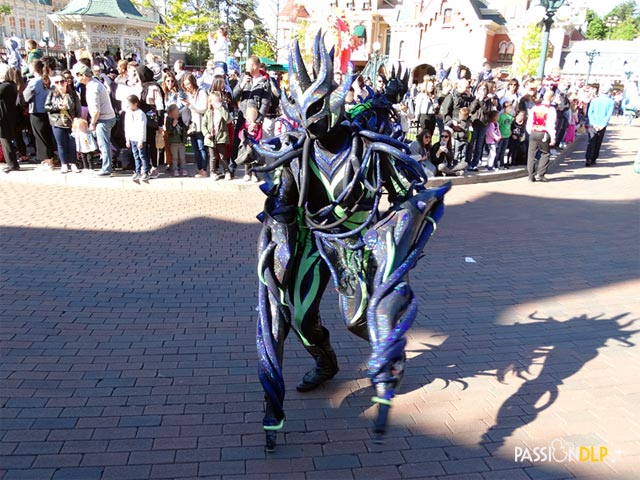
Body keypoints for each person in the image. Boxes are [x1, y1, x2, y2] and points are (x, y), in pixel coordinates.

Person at [74, 63, 117, 176]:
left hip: (103, 119)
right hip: (106, 117)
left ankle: (107, 168)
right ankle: (107, 165)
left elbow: (96, 110)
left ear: (83, 75)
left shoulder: (93, 87)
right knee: (105, 143)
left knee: (104, 144)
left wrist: (92, 123)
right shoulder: (95, 84)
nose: (77, 77)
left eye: (78, 75)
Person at [231, 55, 271, 174]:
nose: (246, 68)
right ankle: (231, 168)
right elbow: (234, 96)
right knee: (237, 142)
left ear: (254, 66)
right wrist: (242, 85)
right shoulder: (244, 77)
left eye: (248, 65)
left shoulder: (265, 82)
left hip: (254, 119)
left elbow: (265, 103)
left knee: (252, 145)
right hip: (243, 116)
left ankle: (251, 172)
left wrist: (257, 121)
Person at [45, 74, 81, 173]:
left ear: (66, 82)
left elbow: (78, 108)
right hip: (57, 122)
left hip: (71, 122)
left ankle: (73, 163)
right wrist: (57, 107)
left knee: (72, 143)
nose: (60, 84)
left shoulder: (73, 94)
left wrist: (77, 119)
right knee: (61, 144)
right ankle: (64, 163)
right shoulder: (52, 94)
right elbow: (47, 107)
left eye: (62, 81)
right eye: (57, 82)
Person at [23, 59, 55, 169]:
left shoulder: (34, 81)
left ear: (34, 68)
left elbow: (26, 96)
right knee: (46, 135)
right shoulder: (46, 80)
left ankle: (47, 161)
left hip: (36, 111)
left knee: (40, 136)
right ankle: (48, 159)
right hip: (46, 111)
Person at [526, 89, 556, 182]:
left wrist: (530, 131)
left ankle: (531, 175)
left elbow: (529, 121)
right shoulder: (551, 109)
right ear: (552, 98)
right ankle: (541, 174)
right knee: (545, 153)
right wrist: (553, 137)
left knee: (531, 154)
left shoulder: (535, 107)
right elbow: (551, 124)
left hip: (534, 131)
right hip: (543, 133)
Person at [182, 73, 208, 177]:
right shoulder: (188, 94)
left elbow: (203, 108)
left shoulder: (201, 92)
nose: (187, 86)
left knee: (201, 147)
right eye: (185, 84)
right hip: (191, 124)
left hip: (200, 123)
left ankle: (204, 170)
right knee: (195, 148)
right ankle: (199, 168)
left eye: (188, 83)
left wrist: (191, 106)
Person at [202, 91, 231, 180]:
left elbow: (228, 119)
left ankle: (227, 171)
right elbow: (204, 125)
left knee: (222, 156)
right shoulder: (208, 112)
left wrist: (221, 108)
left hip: (220, 137)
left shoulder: (222, 111)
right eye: (214, 101)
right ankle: (212, 172)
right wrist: (206, 133)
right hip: (211, 138)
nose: (216, 103)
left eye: (218, 101)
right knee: (212, 157)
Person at [585, 86, 614, 167]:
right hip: (602, 124)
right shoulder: (611, 102)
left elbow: (590, 112)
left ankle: (588, 159)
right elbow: (608, 115)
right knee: (598, 142)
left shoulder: (594, 100)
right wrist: (603, 125)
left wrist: (593, 123)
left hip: (593, 123)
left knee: (591, 141)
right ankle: (594, 158)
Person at [0, 63, 21, 173]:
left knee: (5, 139)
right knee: (6, 139)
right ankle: (12, 163)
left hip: (4, 117)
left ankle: (12, 164)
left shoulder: (5, 86)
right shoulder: (11, 85)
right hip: (8, 115)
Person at [124, 95, 149, 181]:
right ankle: (137, 171)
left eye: (130, 104)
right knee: (135, 156)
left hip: (139, 138)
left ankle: (145, 172)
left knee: (142, 155)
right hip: (132, 138)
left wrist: (141, 140)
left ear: (135, 104)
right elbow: (127, 126)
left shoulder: (141, 113)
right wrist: (127, 139)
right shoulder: (128, 113)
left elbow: (142, 127)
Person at [239, 105, 263, 182]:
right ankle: (247, 174)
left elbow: (260, 134)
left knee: (255, 160)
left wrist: (256, 141)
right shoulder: (245, 125)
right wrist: (244, 140)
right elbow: (241, 133)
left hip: (255, 145)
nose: (252, 117)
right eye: (250, 116)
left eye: (254, 115)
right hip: (247, 145)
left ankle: (254, 174)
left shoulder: (258, 125)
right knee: (247, 160)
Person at [164, 104, 188, 177]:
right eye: (175, 114)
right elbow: (169, 131)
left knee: (182, 156)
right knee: (174, 157)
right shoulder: (168, 120)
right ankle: (175, 169)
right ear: (171, 114)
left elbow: (184, 128)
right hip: (174, 142)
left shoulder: (180, 119)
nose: (177, 115)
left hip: (181, 141)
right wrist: (173, 125)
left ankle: (183, 168)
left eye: (178, 113)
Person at [497, 102, 513, 168]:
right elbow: (498, 125)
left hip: (507, 135)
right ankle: (496, 162)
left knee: (503, 150)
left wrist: (510, 131)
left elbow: (509, 125)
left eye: (511, 108)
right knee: (498, 149)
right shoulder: (501, 116)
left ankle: (502, 163)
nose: (510, 109)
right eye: (508, 108)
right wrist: (499, 134)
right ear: (504, 108)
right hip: (501, 135)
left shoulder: (510, 116)